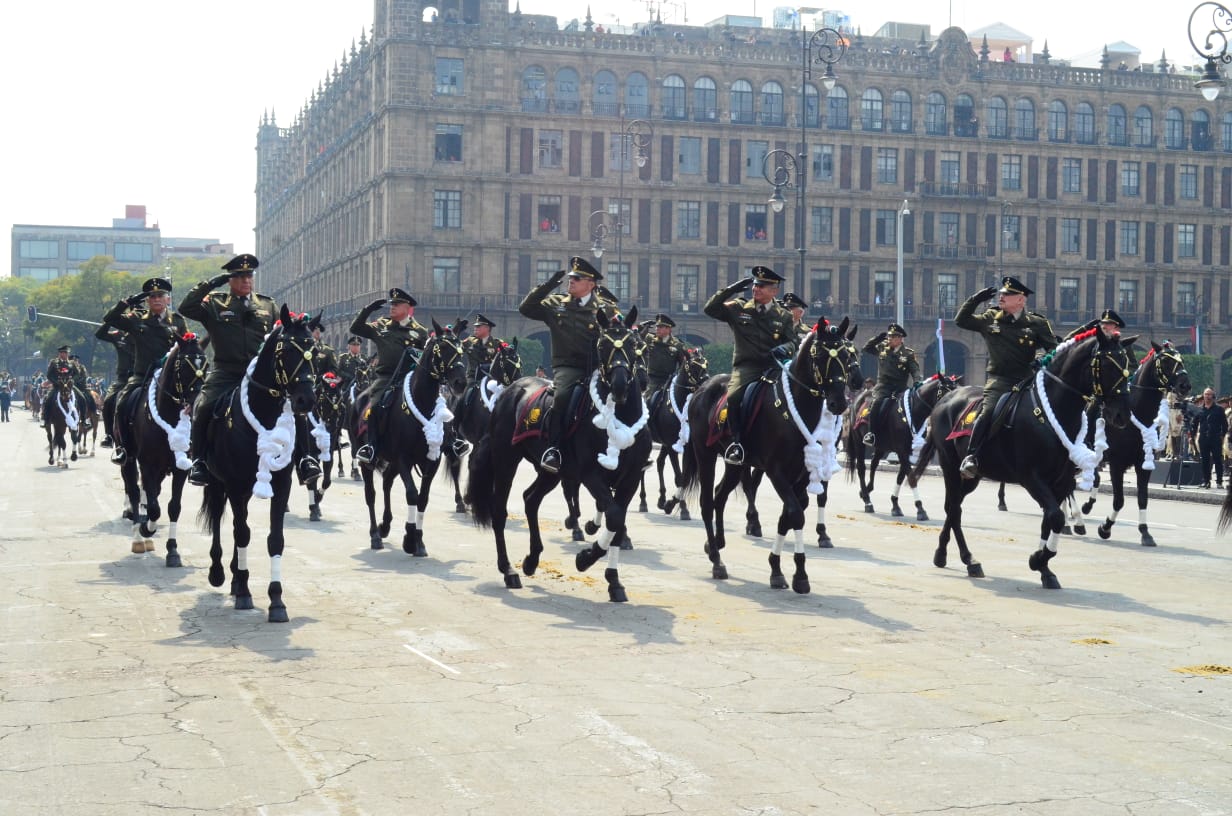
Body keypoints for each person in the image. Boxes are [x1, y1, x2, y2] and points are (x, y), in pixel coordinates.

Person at [179, 253, 286, 486]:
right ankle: (199, 461)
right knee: (203, 406)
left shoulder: (268, 305)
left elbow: (282, 335)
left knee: (294, 409)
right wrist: (211, 283)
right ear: (230, 280)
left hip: (260, 375)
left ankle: (304, 460)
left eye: (249, 275)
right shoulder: (216, 304)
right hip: (227, 373)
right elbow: (185, 307)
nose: (246, 280)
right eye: (239, 276)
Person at [954, 275, 1058, 478]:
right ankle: (972, 456)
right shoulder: (990, 318)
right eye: (1001, 293)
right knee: (988, 412)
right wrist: (975, 300)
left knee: (1054, 410)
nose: (1001, 297)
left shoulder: (1037, 323)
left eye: (1008, 294)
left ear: (1021, 299)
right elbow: (961, 320)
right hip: (1000, 380)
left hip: (1027, 380)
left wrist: (1042, 358)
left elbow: (1054, 349)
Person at [518, 256, 614, 474]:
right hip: (569, 367)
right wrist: (549, 285)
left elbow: (619, 332)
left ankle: (632, 447)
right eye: (570, 278)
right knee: (561, 397)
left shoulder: (606, 309)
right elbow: (526, 308)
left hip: (599, 368)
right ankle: (553, 449)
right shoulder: (556, 304)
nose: (571, 281)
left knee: (624, 391)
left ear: (591, 284)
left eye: (577, 279)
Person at [704, 265, 795, 466]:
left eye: (761, 286)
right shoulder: (738, 308)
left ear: (774, 290)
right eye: (754, 285)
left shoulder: (784, 316)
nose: (756, 289)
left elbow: (793, 341)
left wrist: (785, 349)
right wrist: (732, 288)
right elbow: (710, 308)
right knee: (734, 396)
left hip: (774, 367)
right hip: (746, 368)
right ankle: (736, 443)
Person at [101, 277, 189, 465]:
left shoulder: (179, 322)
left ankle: (193, 449)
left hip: (171, 378)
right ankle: (123, 447)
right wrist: (128, 303)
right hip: (143, 376)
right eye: (152, 296)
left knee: (195, 404)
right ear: (147, 301)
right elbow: (109, 319)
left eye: (160, 296)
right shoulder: (136, 320)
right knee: (121, 403)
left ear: (168, 300)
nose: (156, 299)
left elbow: (186, 347)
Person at [350, 287, 430, 466]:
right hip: (386, 378)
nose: (392, 307)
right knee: (375, 406)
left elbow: (425, 357)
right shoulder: (381, 325)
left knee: (437, 406)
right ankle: (371, 446)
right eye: (391, 304)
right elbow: (355, 328)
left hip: (410, 378)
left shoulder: (420, 331)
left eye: (397, 304)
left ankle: (448, 441)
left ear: (408, 308)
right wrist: (368, 310)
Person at [860, 322, 921, 446]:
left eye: (892, 337)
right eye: (888, 336)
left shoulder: (908, 354)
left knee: (911, 406)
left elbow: (915, 370)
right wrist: (877, 339)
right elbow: (866, 348)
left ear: (899, 338)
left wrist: (917, 381)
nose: (889, 339)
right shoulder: (882, 348)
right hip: (883, 386)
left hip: (900, 387)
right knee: (876, 404)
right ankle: (871, 434)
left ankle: (914, 433)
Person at [94, 321, 135, 448]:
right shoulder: (118, 335)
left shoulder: (146, 333)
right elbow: (100, 334)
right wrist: (110, 320)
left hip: (145, 374)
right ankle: (109, 435)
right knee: (108, 401)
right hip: (123, 378)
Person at [41, 346, 92, 429]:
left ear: (68, 354)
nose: (63, 355)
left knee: (82, 398)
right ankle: (46, 420)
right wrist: (56, 382)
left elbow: (77, 374)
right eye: (61, 353)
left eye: (65, 353)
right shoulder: (54, 363)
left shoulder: (72, 363)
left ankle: (83, 420)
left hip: (70, 386)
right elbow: (49, 375)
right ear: (59, 353)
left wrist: (72, 380)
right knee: (48, 399)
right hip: (57, 386)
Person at [1191, 387, 1228, 488]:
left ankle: (1219, 482)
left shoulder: (1219, 409)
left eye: (1209, 394)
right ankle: (1206, 481)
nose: (1207, 396)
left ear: (1213, 396)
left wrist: (1222, 435)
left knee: (1217, 460)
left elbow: (1225, 425)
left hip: (1216, 438)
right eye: (1206, 394)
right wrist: (1192, 436)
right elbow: (1194, 424)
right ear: (1203, 395)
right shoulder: (1199, 410)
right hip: (1203, 438)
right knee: (1205, 460)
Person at [643, 313, 687, 397]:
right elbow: (638, 339)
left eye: (660, 327)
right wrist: (643, 328)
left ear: (668, 329)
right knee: (647, 402)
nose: (657, 329)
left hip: (668, 381)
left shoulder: (677, 345)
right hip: (652, 380)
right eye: (657, 327)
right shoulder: (649, 339)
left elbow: (683, 365)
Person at [461, 313, 502, 387]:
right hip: (472, 378)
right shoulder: (469, 341)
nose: (475, 328)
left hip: (490, 378)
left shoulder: (497, 344)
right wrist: (456, 331)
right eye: (475, 326)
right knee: (466, 395)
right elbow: (455, 349)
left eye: (478, 326)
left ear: (487, 328)